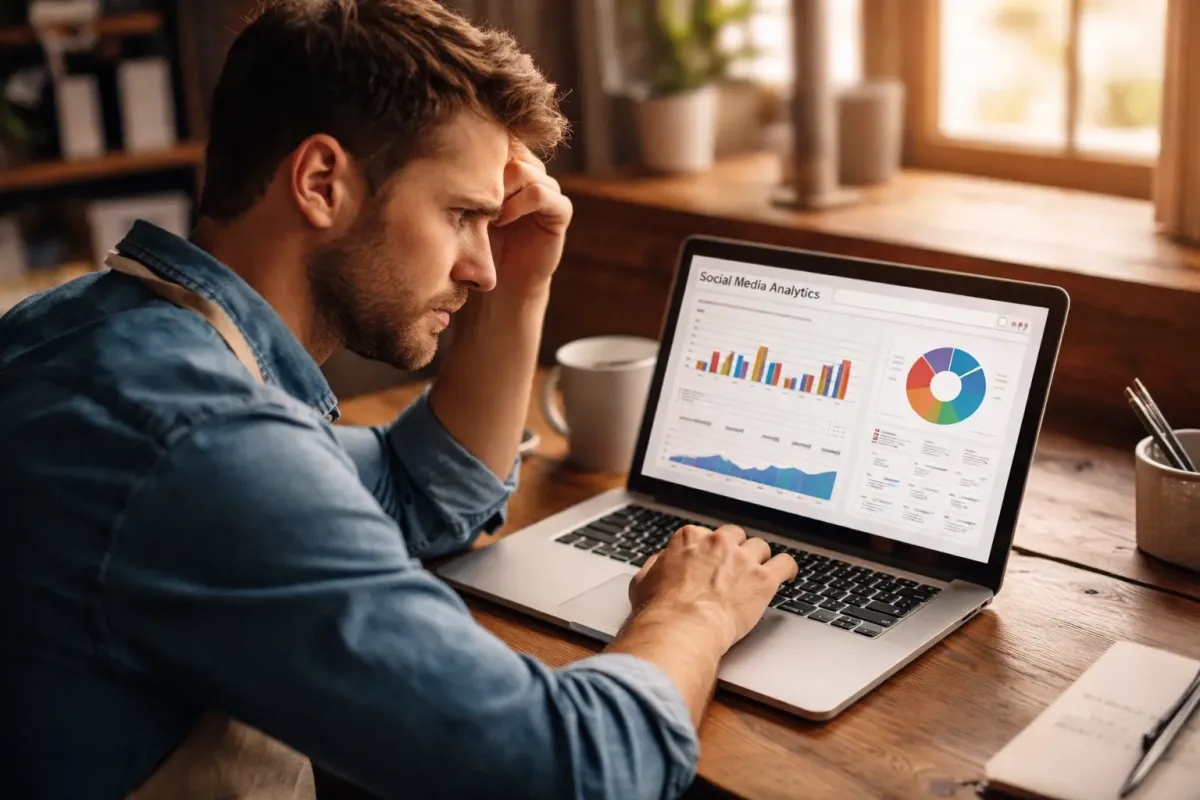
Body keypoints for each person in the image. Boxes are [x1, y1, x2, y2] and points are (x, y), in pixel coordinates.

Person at [0, 1, 798, 798]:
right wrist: (694, 609)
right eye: (461, 215)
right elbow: (578, 774)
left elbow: (423, 491)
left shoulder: (93, 331)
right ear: (321, 183)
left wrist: (522, 280)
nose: (480, 267)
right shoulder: (201, 444)